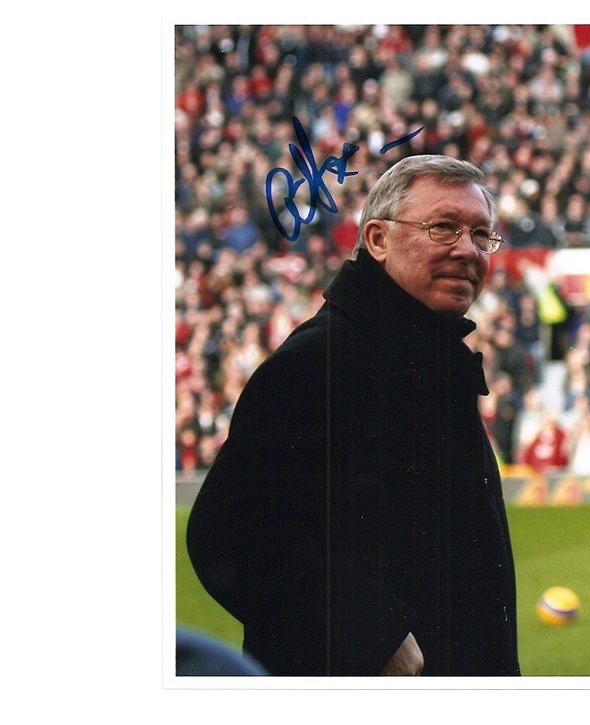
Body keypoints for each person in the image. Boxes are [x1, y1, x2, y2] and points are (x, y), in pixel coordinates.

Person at [186, 155, 521, 677]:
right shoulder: (322, 360)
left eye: (481, 234)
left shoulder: (434, 358)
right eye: (443, 228)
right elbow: (229, 531)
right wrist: (371, 633)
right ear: (378, 239)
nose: (467, 249)